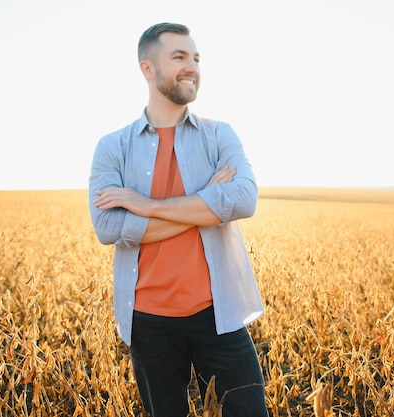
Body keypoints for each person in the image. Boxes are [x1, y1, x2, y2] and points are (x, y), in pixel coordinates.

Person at [88, 22, 268, 417]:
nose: (192, 67)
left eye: (196, 58)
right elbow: (108, 228)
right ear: (148, 69)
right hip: (148, 321)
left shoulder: (220, 135)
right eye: (179, 57)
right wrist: (206, 204)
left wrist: (144, 204)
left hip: (220, 313)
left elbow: (243, 200)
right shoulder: (112, 147)